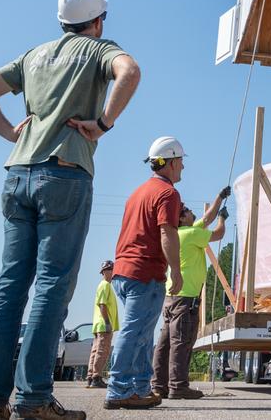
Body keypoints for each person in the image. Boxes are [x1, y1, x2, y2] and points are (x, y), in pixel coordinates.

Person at [0, 0, 141, 420]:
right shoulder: (99, 50)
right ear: (98, 21)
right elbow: (130, 71)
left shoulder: (33, 55)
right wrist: (103, 123)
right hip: (64, 171)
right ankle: (33, 399)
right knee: (52, 284)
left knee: (10, 286)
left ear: (62, 21)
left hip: (17, 173)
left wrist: (11, 134)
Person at [105, 137, 187, 410]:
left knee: (143, 334)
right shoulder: (168, 194)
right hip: (145, 273)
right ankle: (118, 390)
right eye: (182, 162)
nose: (183, 168)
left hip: (123, 272)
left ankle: (140, 387)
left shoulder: (138, 192)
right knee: (133, 333)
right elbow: (167, 231)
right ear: (172, 162)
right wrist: (176, 270)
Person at [152, 191, 229, 400]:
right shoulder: (191, 234)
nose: (190, 211)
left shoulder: (181, 233)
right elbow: (218, 233)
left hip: (172, 296)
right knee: (181, 341)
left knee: (166, 342)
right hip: (186, 298)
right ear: (181, 218)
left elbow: (206, 219)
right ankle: (178, 386)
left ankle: (159, 385)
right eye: (186, 211)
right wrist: (223, 218)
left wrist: (219, 198)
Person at [86, 261, 118, 388]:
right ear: (104, 272)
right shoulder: (105, 285)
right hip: (103, 324)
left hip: (98, 324)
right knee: (102, 351)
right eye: (109, 269)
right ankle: (96, 377)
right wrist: (107, 322)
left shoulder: (104, 285)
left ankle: (90, 376)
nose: (111, 272)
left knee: (95, 351)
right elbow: (102, 305)